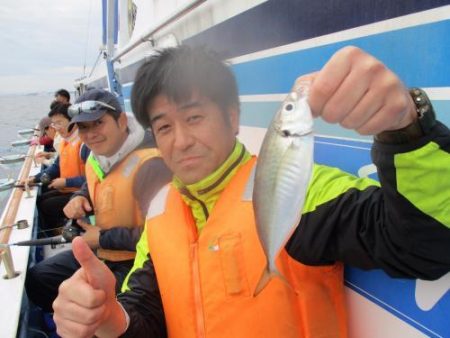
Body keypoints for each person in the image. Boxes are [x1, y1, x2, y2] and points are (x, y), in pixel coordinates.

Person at [52, 46, 450, 338]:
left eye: (194, 117)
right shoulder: (159, 211)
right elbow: (146, 312)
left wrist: (406, 130)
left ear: (233, 117)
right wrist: (109, 318)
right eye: (165, 127)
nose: (182, 141)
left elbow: (425, 243)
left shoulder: (302, 189)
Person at [26, 89, 172, 315]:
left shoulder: (152, 167)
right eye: (83, 127)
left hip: (137, 264)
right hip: (101, 252)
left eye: (98, 123)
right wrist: (79, 197)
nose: (91, 134)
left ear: (122, 121)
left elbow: (164, 238)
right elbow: (92, 184)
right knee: (39, 278)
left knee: (100, 313)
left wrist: (102, 237)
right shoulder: (96, 157)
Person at [27, 103, 89, 235]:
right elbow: (56, 167)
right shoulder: (67, 141)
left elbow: (92, 179)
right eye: (54, 124)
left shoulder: (84, 144)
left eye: (60, 123)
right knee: (41, 199)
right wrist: (35, 179)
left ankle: (58, 232)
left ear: (73, 121)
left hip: (82, 192)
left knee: (46, 205)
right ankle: (57, 229)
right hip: (69, 189)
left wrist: (66, 182)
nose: (57, 128)